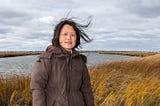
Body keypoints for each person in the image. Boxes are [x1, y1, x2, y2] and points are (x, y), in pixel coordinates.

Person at [30, 18, 94, 106]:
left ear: (76, 38)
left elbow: (86, 89)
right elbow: (37, 87)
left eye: (73, 35)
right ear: (58, 36)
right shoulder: (46, 59)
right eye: (65, 34)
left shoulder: (80, 61)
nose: (69, 38)